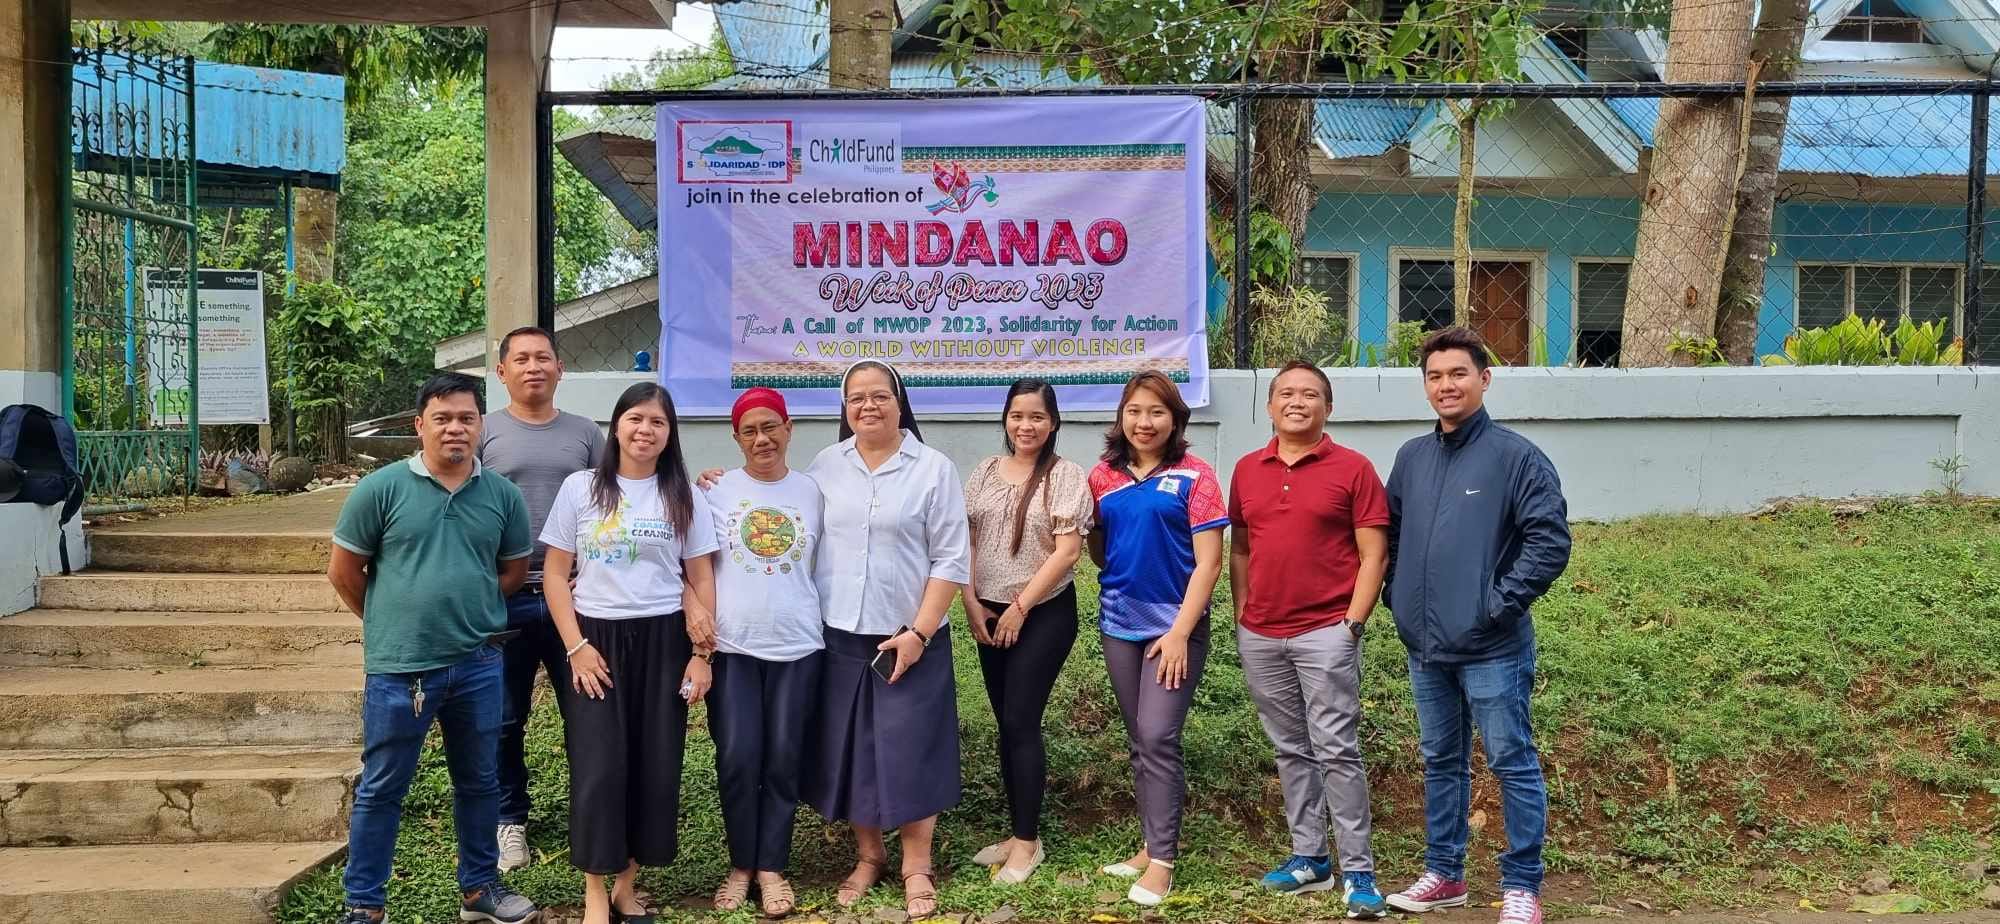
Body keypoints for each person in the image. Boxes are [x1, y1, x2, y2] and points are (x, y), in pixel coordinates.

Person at [328, 372, 539, 924]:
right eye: (442, 418)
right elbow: (345, 571)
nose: (455, 428)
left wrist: (462, 609)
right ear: (419, 425)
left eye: (466, 418)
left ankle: (480, 892)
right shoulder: (381, 489)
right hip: (400, 671)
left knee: (479, 781)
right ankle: (365, 906)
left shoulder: (502, 496)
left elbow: (512, 573)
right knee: (382, 788)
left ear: (480, 426)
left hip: (478, 664)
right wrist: (395, 620)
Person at [1381, 328, 1571, 924]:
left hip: (1492, 646)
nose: (1446, 386)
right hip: (1426, 645)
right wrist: (1397, 597)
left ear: (1484, 380)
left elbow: (1549, 541)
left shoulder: (1516, 457)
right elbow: (1389, 533)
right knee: (1441, 758)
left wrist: (1496, 605)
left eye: (1458, 374)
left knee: (1510, 757)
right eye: (1435, 376)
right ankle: (1445, 874)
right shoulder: (1412, 457)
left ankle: (1522, 885)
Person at [539, 382, 720, 924]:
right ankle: (595, 893)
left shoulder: (682, 492)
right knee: (598, 768)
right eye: (636, 419)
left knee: (654, 764)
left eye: (658, 423)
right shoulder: (581, 488)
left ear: (670, 435)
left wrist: (700, 656)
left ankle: (626, 886)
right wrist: (576, 647)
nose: (645, 431)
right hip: (595, 638)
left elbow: (701, 577)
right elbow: (553, 574)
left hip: (664, 639)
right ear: (615, 425)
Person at [803, 360, 971, 921]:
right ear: (844, 408)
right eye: (856, 398)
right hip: (841, 637)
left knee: (913, 748)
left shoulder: (933, 468)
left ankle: (916, 865)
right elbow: (788, 524)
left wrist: (921, 630)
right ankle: (869, 856)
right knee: (853, 751)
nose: (868, 406)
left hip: (910, 636)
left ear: (900, 402)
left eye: (880, 395)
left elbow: (951, 557)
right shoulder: (826, 465)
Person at [1228, 360, 1389, 918]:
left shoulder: (1354, 468)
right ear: (1270, 406)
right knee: (1291, 748)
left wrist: (1353, 624)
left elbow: (1374, 553)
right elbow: (1242, 547)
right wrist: (1242, 610)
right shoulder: (1248, 469)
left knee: (1337, 750)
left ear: (1328, 407)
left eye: (1310, 394)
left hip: (1327, 632)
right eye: (1286, 393)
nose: (1297, 402)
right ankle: (1310, 858)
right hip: (1262, 634)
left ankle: (1359, 871)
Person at [1086, 369, 1228, 908]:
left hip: (1177, 629)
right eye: (1135, 411)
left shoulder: (1196, 475)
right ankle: (1149, 845)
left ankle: (1163, 861)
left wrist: (1178, 632)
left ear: (1175, 419)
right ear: (1121, 417)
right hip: (1119, 624)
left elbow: (1209, 564)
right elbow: (1103, 548)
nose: (1144, 423)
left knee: (1159, 736)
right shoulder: (1103, 477)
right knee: (1140, 739)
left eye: (1157, 412)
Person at [479, 325, 605, 872]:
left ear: (560, 369)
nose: (534, 367)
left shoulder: (585, 433)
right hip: (501, 597)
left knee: (587, 709)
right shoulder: (481, 430)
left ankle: (592, 813)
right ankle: (510, 820)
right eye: (521, 359)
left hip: (572, 599)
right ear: (501, 371)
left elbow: (616, 499)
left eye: (544, 358)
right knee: (504, 718)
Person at [962, 379, 1092, 884]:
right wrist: (971, 602)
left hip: (1043, 614)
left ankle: (1029, 842)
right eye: (1017, 416)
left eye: (1036, 417)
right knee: (1005, 722)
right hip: (987, 611)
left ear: (1053, 422)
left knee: (1021, 718)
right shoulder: (983, 473)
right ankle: (1016, 833)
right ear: (1006, 419)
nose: (1026, 426)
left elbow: (1067, 552)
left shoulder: (1065, 476)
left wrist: (1019, 607)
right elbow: (966, 539)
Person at [704, 387, 825, 918]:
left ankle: (772, 865)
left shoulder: (813, 492)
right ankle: (741, 864)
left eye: (770, 427)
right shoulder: (713, 492)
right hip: (732, 646)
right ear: (736, 438)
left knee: (782, 757)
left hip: (799, 642)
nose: (762, 439)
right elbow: (695, 568)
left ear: (788, 428)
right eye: (750, 430)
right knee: (736, 756)